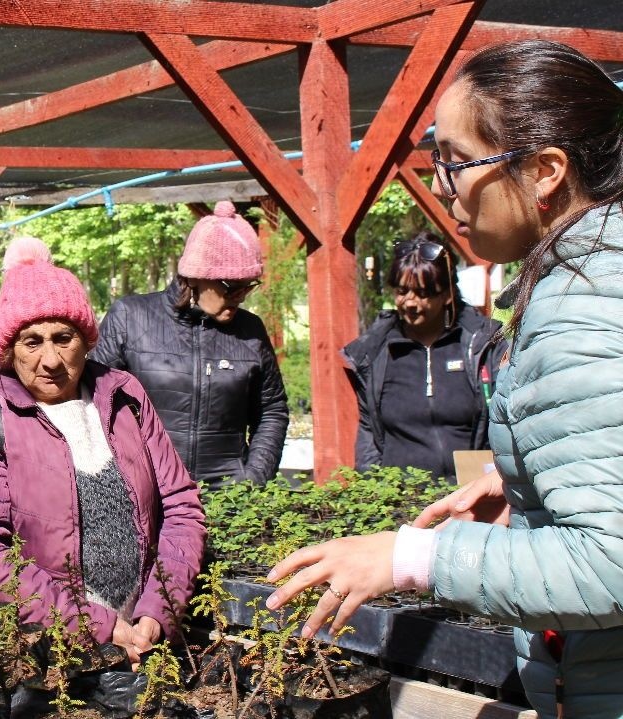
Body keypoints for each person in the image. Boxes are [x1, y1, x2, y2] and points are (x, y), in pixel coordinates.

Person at [264, 40, 623, 718]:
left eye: (457, 163)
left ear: (546, 171)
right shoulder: (594, 278)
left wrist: (413, 556)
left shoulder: (583, 306)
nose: (440, 188)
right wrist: (527, 495)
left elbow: (612, 563)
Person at [0, 236, 205, 667]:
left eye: (63, 338)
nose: (50, 360)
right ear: (8, 351)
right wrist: (96, 624)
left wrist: (159, 610)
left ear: (86, 339)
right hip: (46, 656)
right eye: (31, 342)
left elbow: (181, 507)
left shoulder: (124, 396)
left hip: (146, 638)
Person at [91, 201, 288, 489]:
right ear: (194, 275)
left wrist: (253, 480)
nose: (241, 297)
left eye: (248, 286)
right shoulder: (130, 317)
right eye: (231, 287)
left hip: (229, 500)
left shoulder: (251, 331)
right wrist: (121, 478)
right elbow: (93, 403)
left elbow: (271, 409)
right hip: (149, 496)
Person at [341, 232, 505, 483]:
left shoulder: (482, 345)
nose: (410, 302)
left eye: (423, 292)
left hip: (469, 498)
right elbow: (368, 435)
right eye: (402, 290)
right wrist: (371, 492)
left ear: (447, 294)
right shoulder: (374, 354)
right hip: (399, 502)